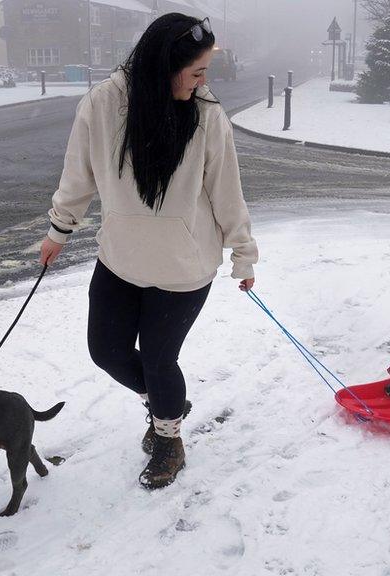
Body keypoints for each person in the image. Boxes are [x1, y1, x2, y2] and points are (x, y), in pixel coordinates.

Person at [39, 13, 258, 490]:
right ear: (163, 66)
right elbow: (79, 177)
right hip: (119, 259)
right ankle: (165, 402)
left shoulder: (205, 114)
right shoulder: (102, 105)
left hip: (184, 268)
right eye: (197, 71)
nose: (204, 82)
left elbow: (227, 190)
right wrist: (58, 232)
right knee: (106, 351)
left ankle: (168, 438)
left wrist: (243, 252)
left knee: (161, 360)